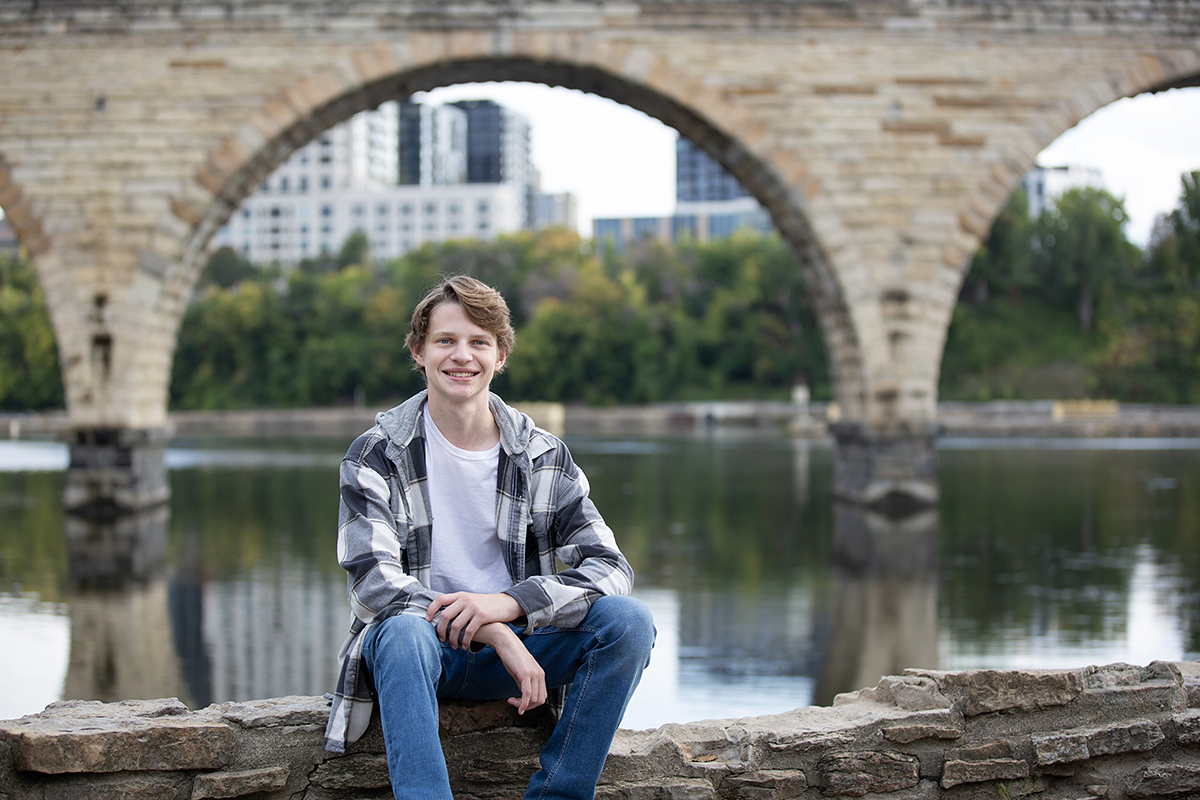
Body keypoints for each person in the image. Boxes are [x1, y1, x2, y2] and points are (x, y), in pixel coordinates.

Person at [323, 274, 654, 800]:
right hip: (424, 654)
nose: (462, 356)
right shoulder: (376, 452)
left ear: (500, 355)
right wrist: (492, 630)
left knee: (629, 623)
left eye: (479, 342)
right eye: (446, 341)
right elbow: (374, 586)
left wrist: (509, 605)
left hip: (523, 643)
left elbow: (611, 568)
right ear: (418, 351)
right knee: (402, 635)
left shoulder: (542, 454)